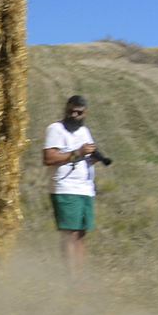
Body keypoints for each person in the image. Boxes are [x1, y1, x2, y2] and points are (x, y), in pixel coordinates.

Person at [42, 95, 106, 277]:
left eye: (78, 112)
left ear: (85, 113)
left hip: (85, 189)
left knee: (81, 235)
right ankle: (71, 279)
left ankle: (79, 277)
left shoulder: (84, 131)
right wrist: (77, 152)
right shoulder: (56, 129)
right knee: (70, 234)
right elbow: (48, 158)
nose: (74, 115)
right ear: (66, 110)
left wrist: (92, 159)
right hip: (65, 188)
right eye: (71, 111)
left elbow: (83, 158)